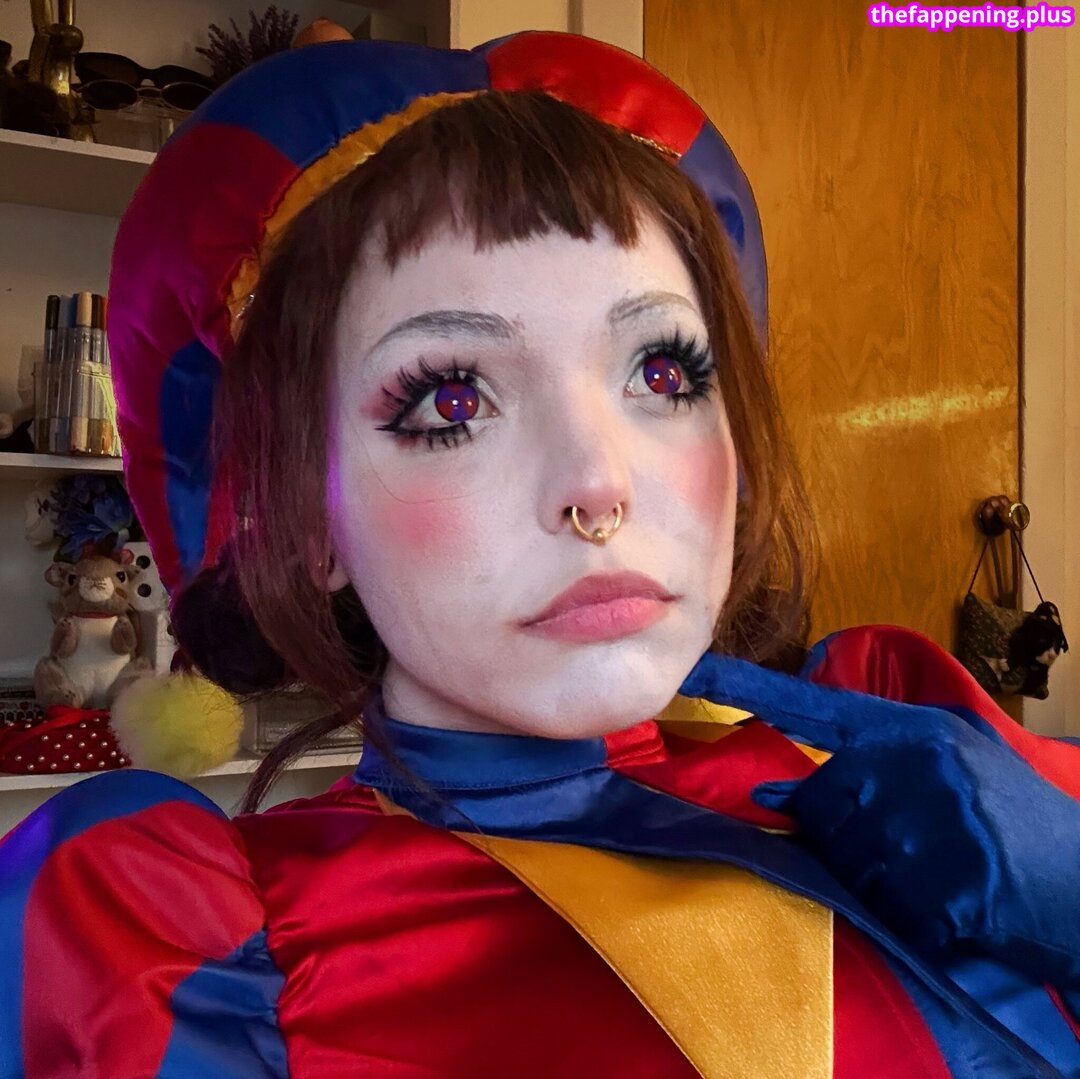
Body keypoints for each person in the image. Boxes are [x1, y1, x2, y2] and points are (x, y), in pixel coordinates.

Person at [2, 27, 1079, 1079]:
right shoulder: (215, 966)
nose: (600, 485)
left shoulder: (908, 755)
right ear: (306, 516)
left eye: (663, 373)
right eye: (452, 400)